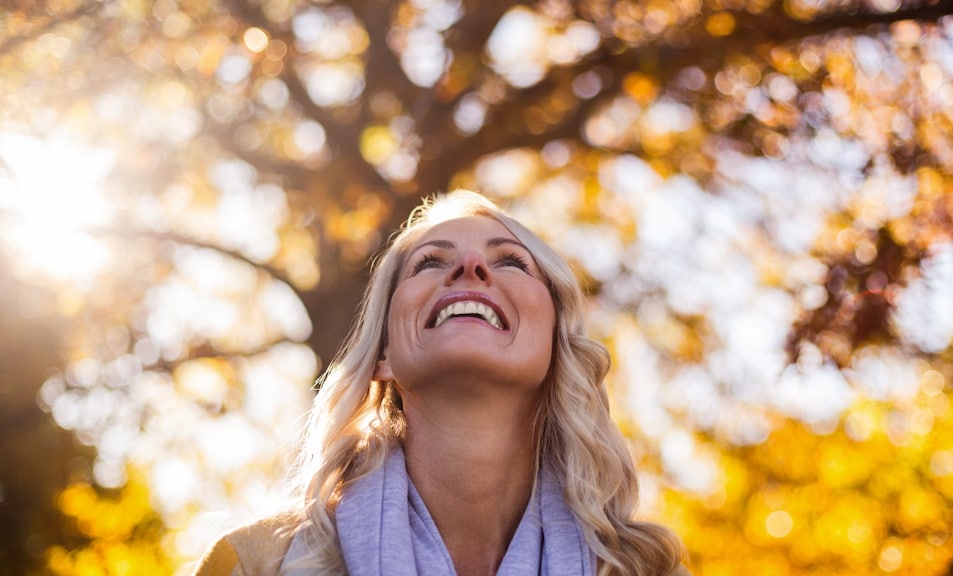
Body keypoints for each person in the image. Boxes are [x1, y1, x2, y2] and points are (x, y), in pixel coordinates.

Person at [194, 190, 686, 576]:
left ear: (557, 346)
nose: (469, 268)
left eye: (511, 261)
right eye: (429, 262)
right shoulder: (256, 565)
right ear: (382, 354)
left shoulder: (643, 569)